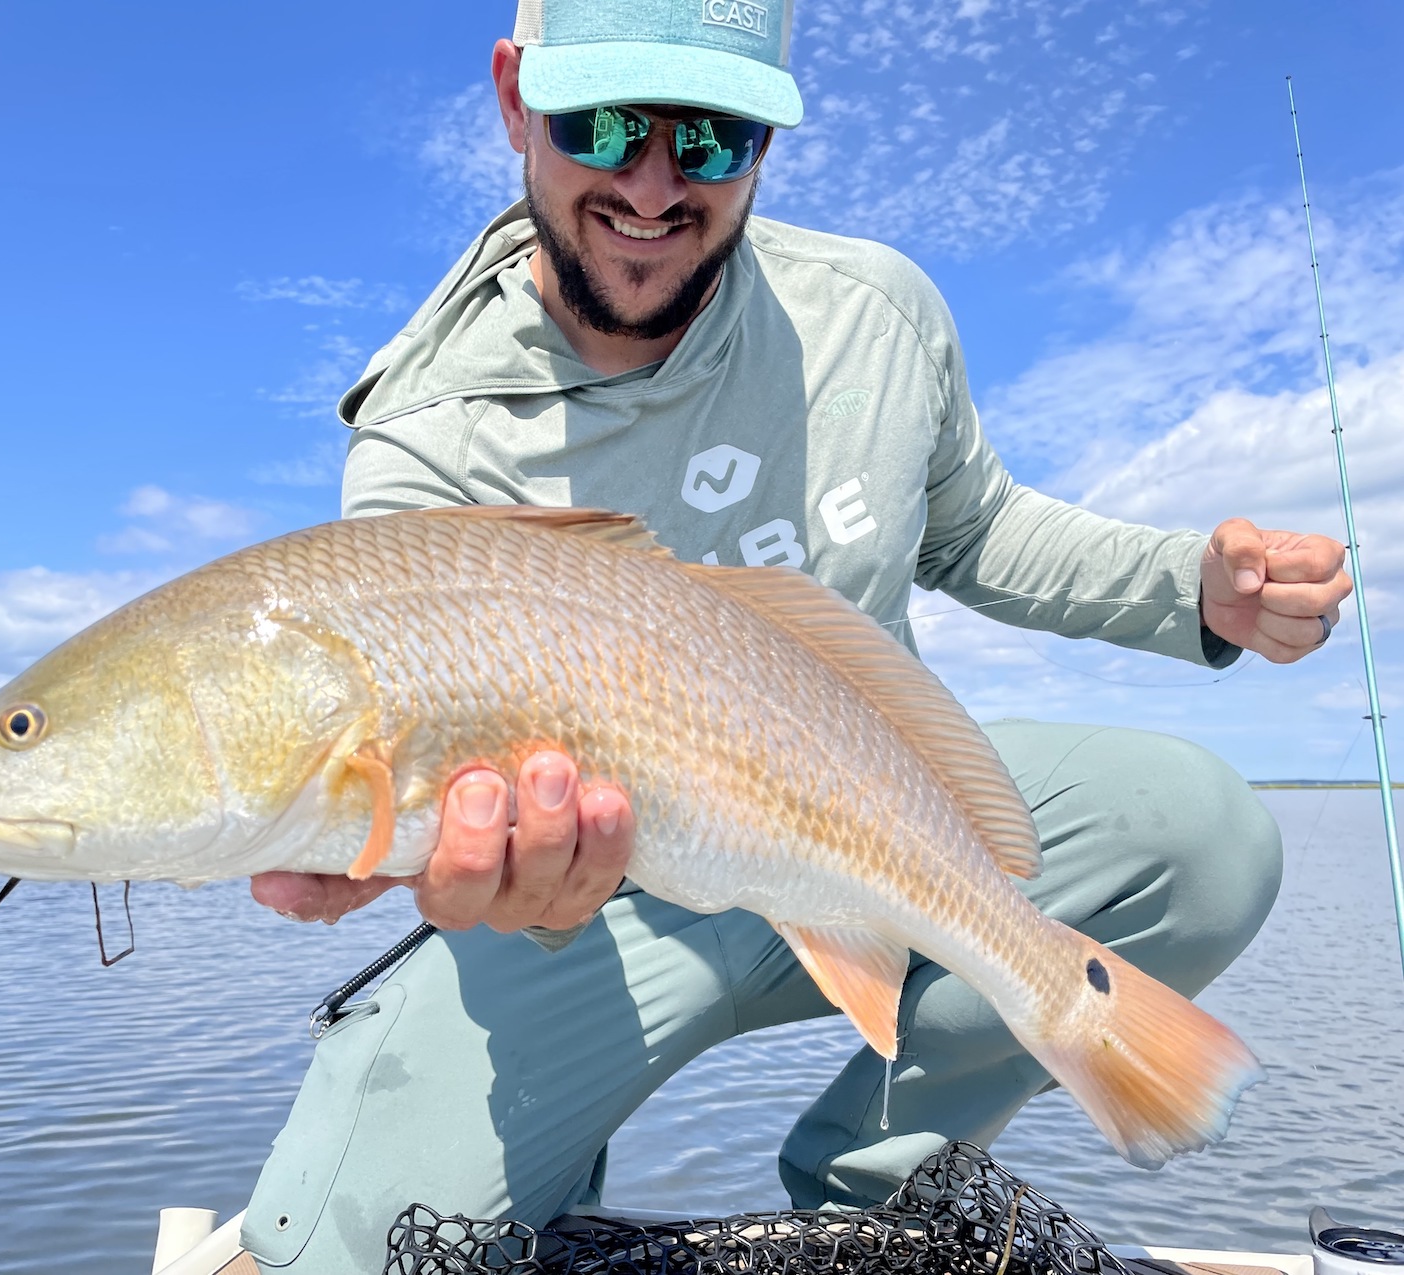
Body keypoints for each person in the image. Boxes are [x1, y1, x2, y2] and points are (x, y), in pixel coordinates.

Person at [240, 2, 1353, 1269]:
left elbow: (972, 531)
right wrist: (409, 854)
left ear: (765, 138)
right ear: (512, 100)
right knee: (349, 1253)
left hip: (877, 826)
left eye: (709, 139)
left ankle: (878, 1204)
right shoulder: (424, 442)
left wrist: (1186, 591)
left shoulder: (875, 315)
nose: (652, 183)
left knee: (1193, 833)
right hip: (590, 915)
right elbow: (397, 782)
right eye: (598, 122)